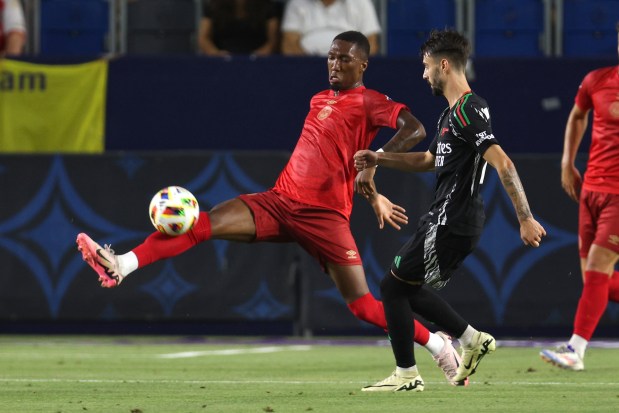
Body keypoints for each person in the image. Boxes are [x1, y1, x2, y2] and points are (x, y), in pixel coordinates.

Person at [77, 31, 468, 385]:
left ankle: (437, 344)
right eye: (331, 57)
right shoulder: (319, 98)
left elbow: (414, 129)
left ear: (363, 65)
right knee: (201, 224)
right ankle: (122, 265)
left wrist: (375, 161)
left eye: (344, 59)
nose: (334, 64)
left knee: (364, 307)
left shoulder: (370, 101)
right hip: (279, 202)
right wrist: (369, 186)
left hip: (324, 218)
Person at [356, 29, 546, 392]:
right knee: (402, 289)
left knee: (391, 288)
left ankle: (409, 373)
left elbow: (503, 163)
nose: (423, 74)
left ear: (444, 65)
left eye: (426, 67)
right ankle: (466, 340)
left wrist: (525, 217)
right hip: (448, 219)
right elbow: (428, 160)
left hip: (452, 219)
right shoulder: (451, 115)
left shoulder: (469, 110)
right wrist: (379, 157)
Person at [540, 22, 619, 372]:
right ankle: (576, 347)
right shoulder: (596, 80)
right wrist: (566, 162)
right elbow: (577, 116)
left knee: (599, 270)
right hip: (591, 190)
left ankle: (576, 349)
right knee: (594, 281)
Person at [281, 0, 380, 56]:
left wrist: (349, 64)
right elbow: (289, 46)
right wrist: (311, 66)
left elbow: (371, 44)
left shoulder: (361, 3)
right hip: (307, 68)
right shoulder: (297, 3)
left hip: (349, 71)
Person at [198, 0, 280, 56]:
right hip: (221, 62)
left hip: (259, 62)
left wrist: (258, 56)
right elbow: (204, 38)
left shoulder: (267, 5)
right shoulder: (214, 5)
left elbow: (273, 40)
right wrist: (216, 54)